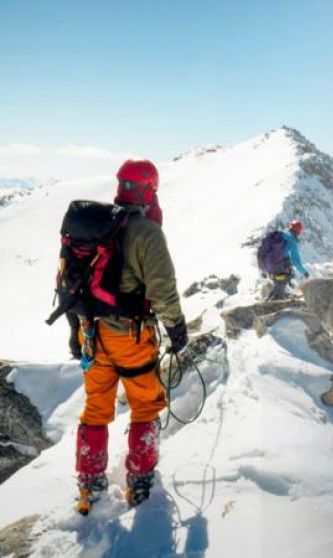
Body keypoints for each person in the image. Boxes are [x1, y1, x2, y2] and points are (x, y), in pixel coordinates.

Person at [74, 159, 187, 512]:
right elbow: (163, 289)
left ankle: (89, 481)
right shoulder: (146, 233)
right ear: (149, 190)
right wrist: (176, 328)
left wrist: (74, 331)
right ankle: (139, 479)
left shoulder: (92, 227)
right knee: (145, 404)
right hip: (130, 336)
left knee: (96, 407)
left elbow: (69, 281)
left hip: (90, 332)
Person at [262, 220, 310, 301]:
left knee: (279, 283)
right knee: (284, 278)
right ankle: (276, 301)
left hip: (269, 266)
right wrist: (304, 272)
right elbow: (296, 261)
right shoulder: (291, 240)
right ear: (298, 231)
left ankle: (270, 299)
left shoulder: (280, 235)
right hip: (278, 267)